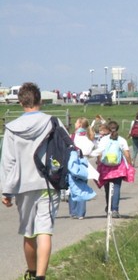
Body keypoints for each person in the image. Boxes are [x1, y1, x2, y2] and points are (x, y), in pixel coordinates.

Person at [0, 82, 62, 280]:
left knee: (29, 232)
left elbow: (8, 162)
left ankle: (32, 271)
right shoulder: (53, 122)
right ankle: (41, 277)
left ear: (20, 103)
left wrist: (6, 191)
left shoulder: (12, 128)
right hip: (48, 182)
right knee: (45, 230)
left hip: (22, 185)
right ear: (40, 100)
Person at [92, 121, 132, 218]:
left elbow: (100, 153)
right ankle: (115, 209)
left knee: (107, 189)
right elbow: (127, 154)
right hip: (118, 167)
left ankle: (109, 207)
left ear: (108, 129)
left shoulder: (104, 140)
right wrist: (130, 165)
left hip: (105, 167)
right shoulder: (121, 140)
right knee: (117, 188)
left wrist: (98, 162)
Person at [69, 117, 95, 220]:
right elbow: (90, 150)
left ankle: (73, 211)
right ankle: (81, 213)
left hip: (73, 164)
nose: (75, 124)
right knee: (82, 187)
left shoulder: (74, 137)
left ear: (79, 125)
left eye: (76, 122)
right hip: (84, 165)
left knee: (72, 187)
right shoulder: (88, 138)